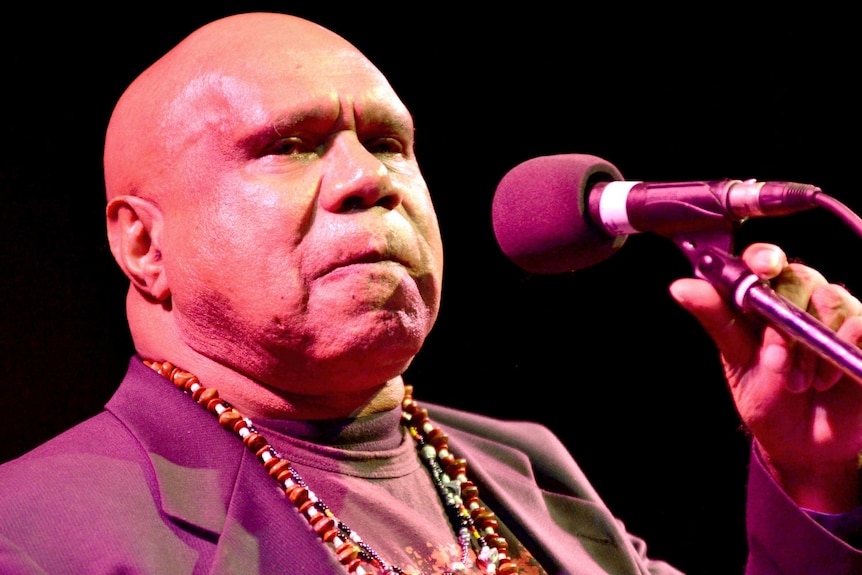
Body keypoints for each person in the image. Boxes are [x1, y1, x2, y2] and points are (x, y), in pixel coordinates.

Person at [0, 10, 860, 575]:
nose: (367, 180)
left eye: (388, 142)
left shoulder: (526, 467)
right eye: (290, 146)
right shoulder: (38, 532)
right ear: (143, 243)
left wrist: (812, 479)